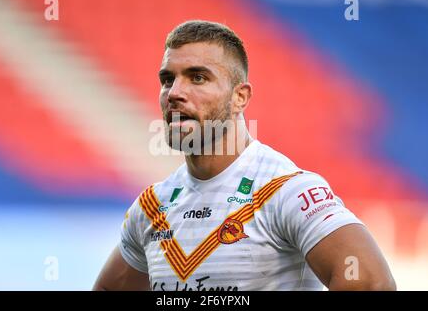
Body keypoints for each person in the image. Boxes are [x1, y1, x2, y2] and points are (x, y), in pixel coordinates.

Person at [93, 20, 396, 291]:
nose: (174, 92)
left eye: (197, 78)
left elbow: (371, 283)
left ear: (240, 97)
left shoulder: (285, 190)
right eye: (167, 79)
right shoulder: (152, 207)